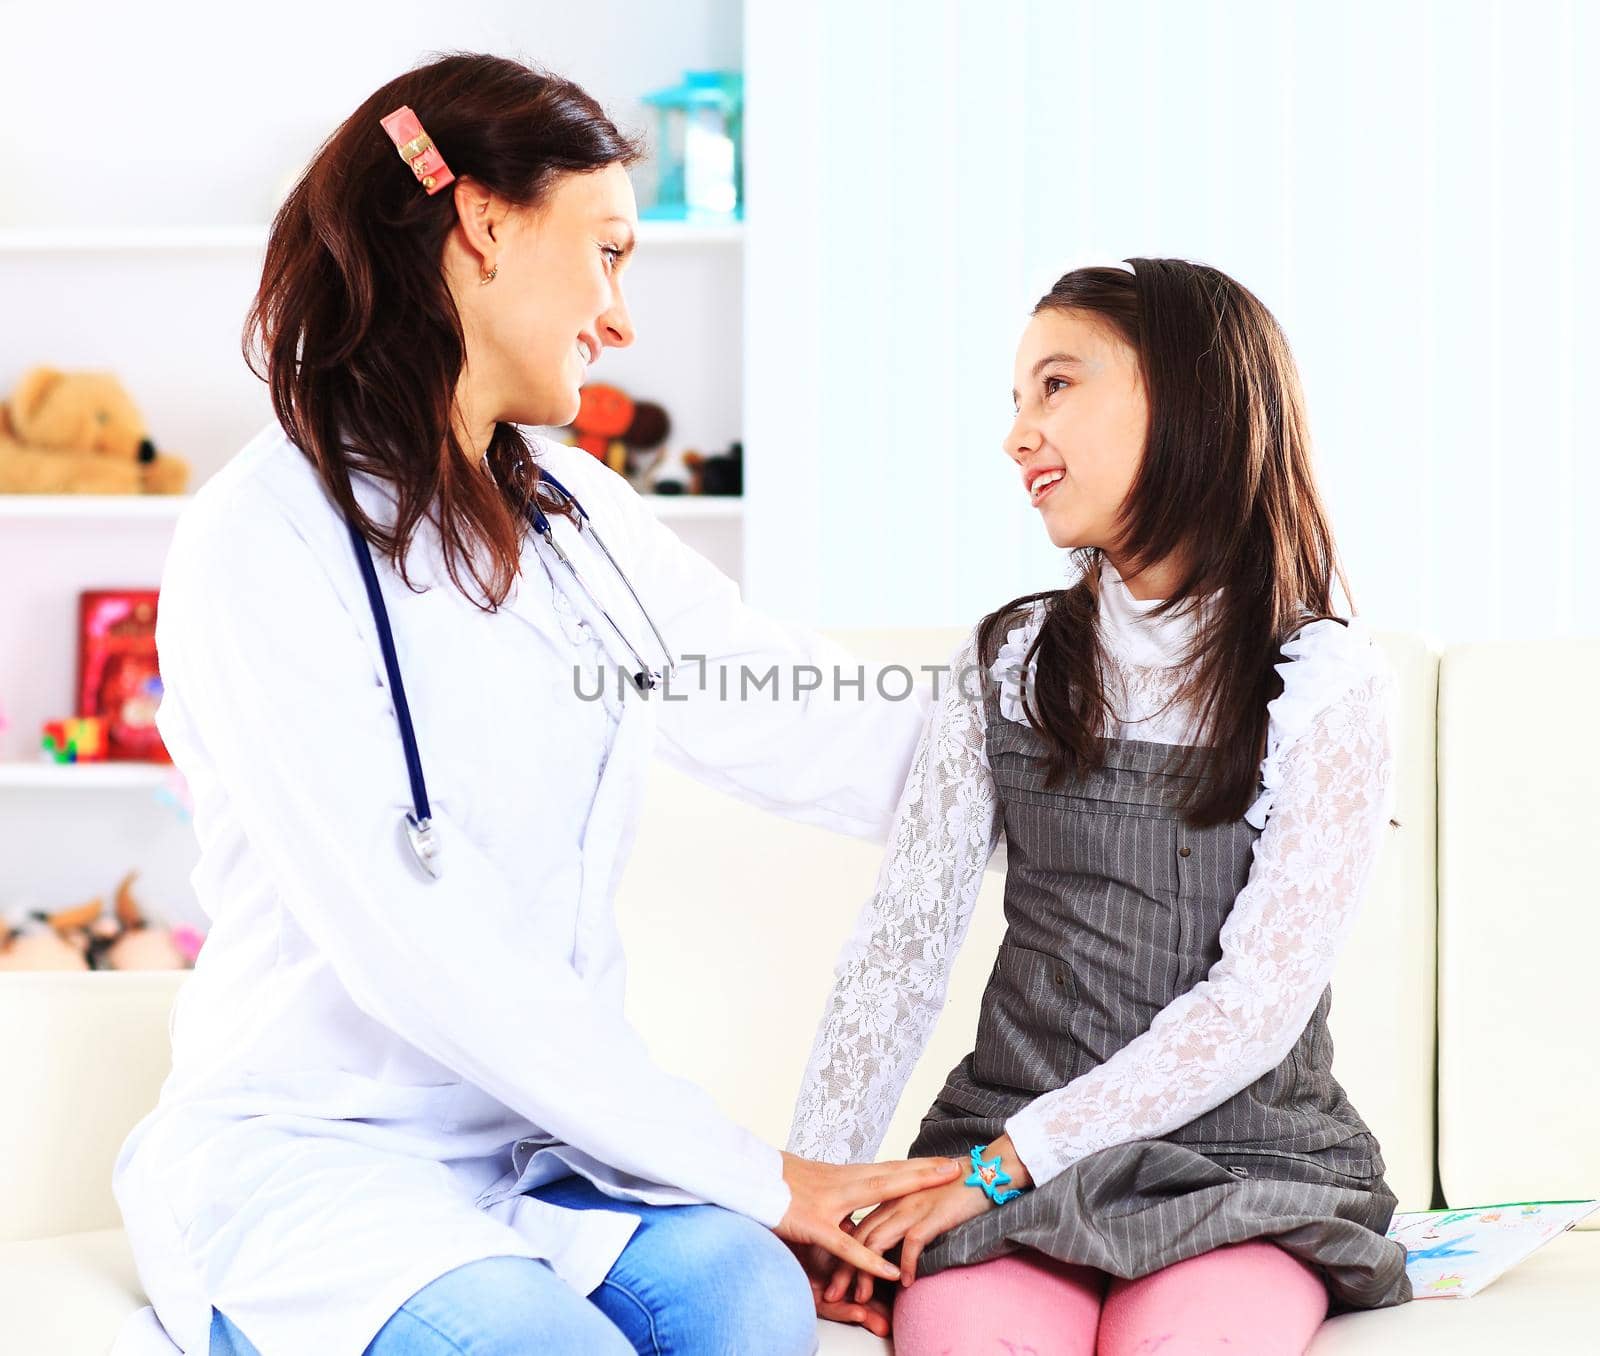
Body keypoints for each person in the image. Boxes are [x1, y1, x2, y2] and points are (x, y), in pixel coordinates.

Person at [111, 53, 963, 1356]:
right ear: (485, 225)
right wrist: (758, 1171)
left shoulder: (576, 522)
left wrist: (1107, 733)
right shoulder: (261, 543)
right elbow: (424, 951)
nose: (621, 319)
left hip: (539, 1154)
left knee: (750, 1301)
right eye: (609, 252)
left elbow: (801, 712)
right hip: (321, 1159)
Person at [787, 258, 1412, 1354]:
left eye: (1056, 386)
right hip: (997, 1155)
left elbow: (1252, 1009)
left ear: (1188, 402)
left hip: (1239, 1158)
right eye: (1017, 400)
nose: (1018, 434)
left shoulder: (1321, 682)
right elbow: (901, 948)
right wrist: (815, 1205)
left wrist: (1003, 1165)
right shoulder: (1010, 658)